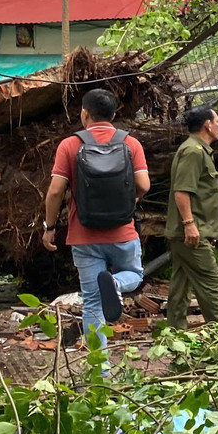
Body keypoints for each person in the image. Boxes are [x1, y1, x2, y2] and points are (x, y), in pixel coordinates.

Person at [42, 88, 150, 352]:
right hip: (122, 232)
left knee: (92, 303)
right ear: (113, 114)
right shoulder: (130, 143)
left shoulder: (70, 145)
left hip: (84, 235)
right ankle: (116, 283)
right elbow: (144, 185)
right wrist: (129, 202)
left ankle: (98, 373)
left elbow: (56, 191)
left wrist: (50, 227)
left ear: (84, 113)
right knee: (134, 275)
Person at [166, 105, 218, 331]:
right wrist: (190, 225)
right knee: (210, 281)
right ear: (207, 125)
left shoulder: (198, 150)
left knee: (181, 286)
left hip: (194, 232)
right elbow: (182, 191)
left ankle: (174, 335)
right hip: (191, 234)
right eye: (217, 121)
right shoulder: (193, 151)